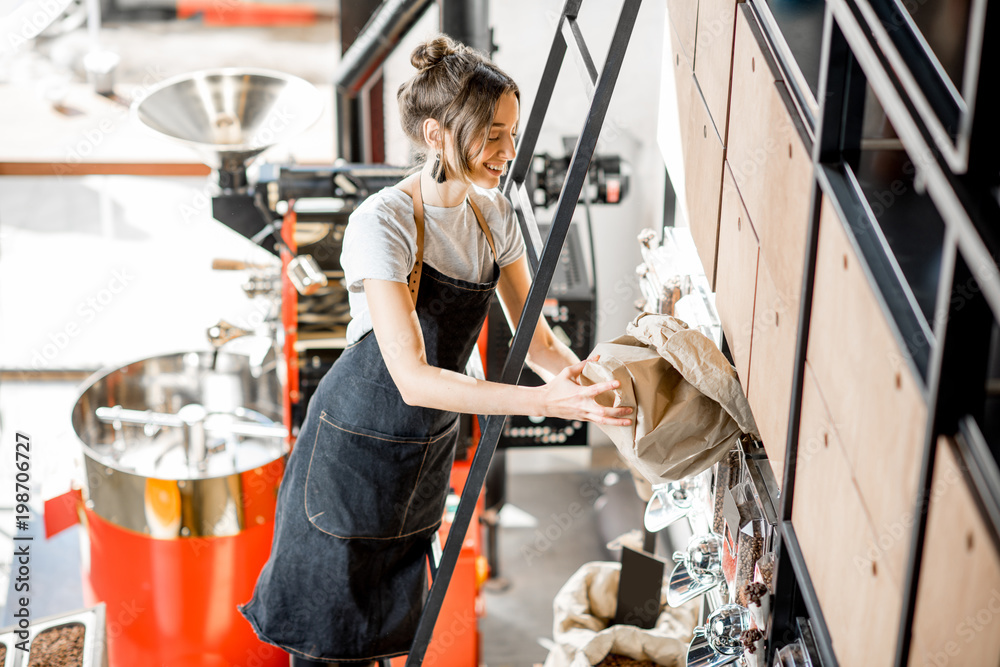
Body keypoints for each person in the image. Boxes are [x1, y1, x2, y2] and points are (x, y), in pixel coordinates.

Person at [238, 34, 632, 666]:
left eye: (511, 132)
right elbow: (413, 377)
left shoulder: (494, 216)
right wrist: (541, 401)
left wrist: (589, 387)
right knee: (326, 647)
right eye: (492, 134)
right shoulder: (384, 222)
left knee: (392, 636)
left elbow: (536, 339)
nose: (507, 152)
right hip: (351, 456)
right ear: (437, 134)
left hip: (420, 458)